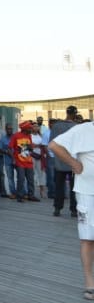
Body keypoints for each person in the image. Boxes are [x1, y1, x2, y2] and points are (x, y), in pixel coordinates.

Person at [48, 120, 94, 300]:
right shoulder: (84, 129)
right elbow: (54, 145)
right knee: (88, 239)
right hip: (87, 193)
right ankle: (90, 284)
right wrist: (74, 164)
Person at [52, 106, 79, 217]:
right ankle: (73, 210)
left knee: (59, 186)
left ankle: (57, 209)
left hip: (59, 162)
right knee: (74, 187)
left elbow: (52, 144)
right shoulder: (77, 127)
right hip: (72, 162)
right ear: (74, 114)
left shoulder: (56, 126)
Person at [10, 121, 37, 202]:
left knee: (31, 180)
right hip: (19, 161)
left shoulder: (29, 136)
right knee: (21, 179)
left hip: (28, 161)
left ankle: (31, 195)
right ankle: (20, 196)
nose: (31, 130)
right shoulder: (16, 136)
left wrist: (30, 147)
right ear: (25, 129)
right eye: (30, 128)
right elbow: (9, 148)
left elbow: (30, 148)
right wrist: (13, 159)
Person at [0, 123, 16, 198]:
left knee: (21, 177)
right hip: (8, 161)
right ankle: (13, 193)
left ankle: (22, 192)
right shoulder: (3, 139)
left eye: (11, 129)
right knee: (10, 178)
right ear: (6, 129)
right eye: (8, 129)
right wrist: (5, 152)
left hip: (17, 160)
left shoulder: (16, 137)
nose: (10, 130)